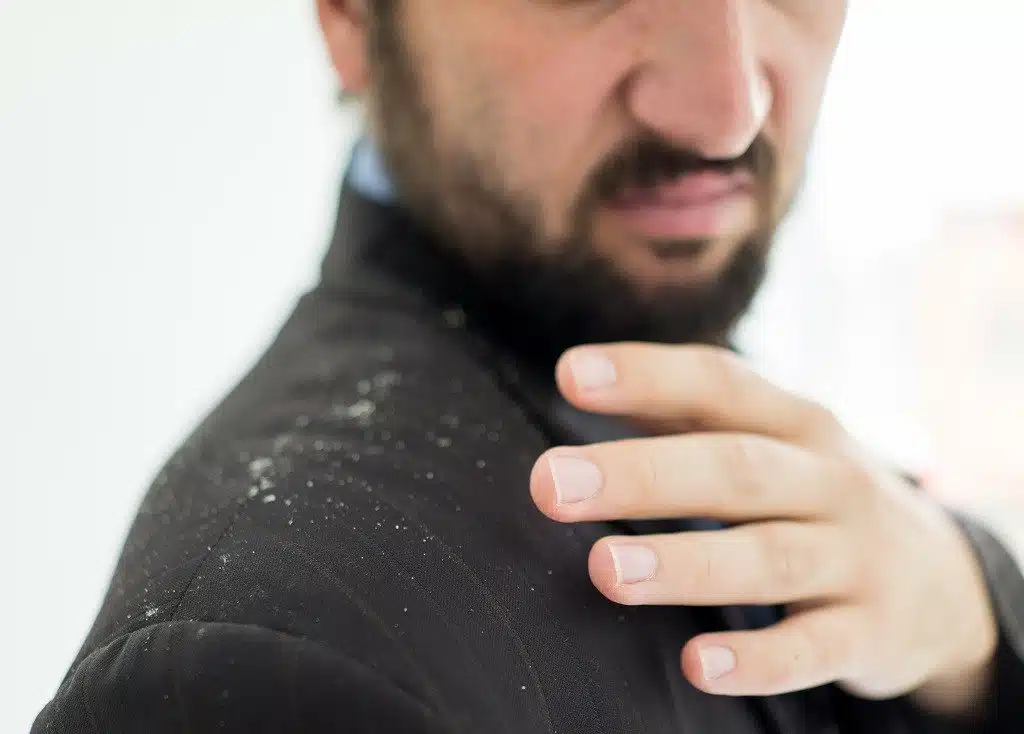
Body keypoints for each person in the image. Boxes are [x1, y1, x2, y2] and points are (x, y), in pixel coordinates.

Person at [34, 1, 1024, 732]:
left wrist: (973, 620)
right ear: (348, 15)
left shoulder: (668, 358)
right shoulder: (261, 666)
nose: (727, 112)